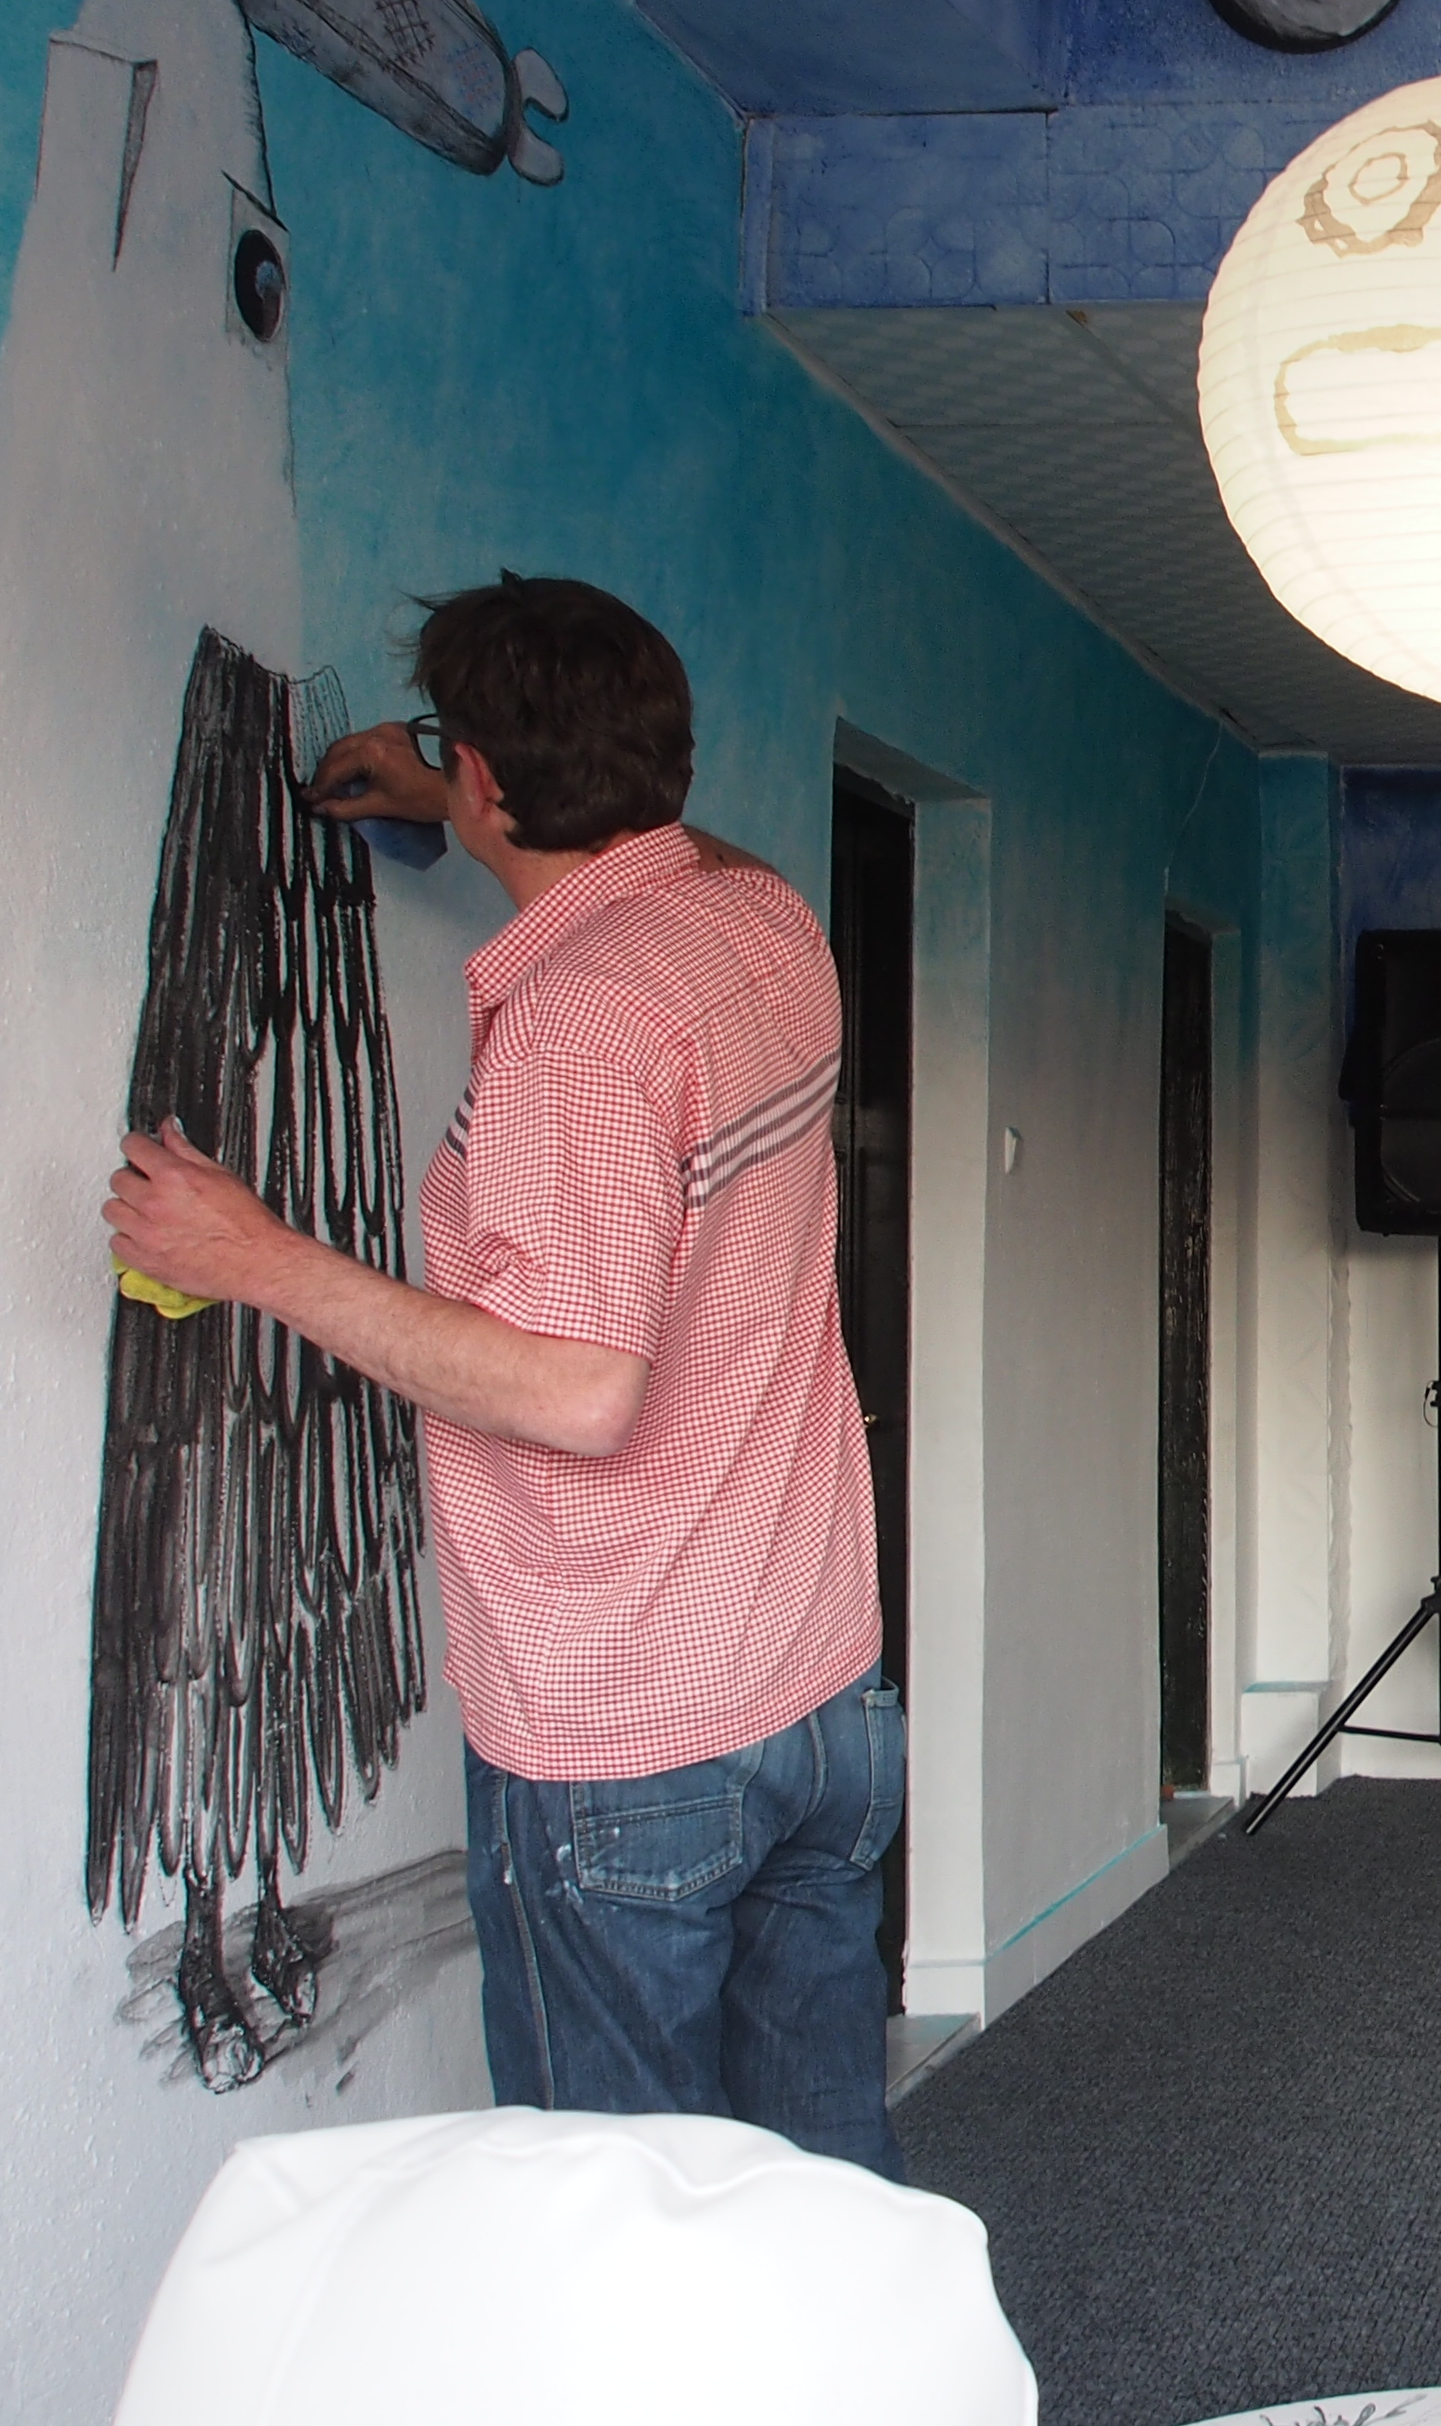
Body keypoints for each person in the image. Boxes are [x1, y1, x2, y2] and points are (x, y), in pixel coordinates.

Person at [102, 576, 901, 2175]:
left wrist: (253, 1255)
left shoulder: (576, 1028)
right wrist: (460, 789)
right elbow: (680, 854)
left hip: (633, 1732)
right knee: (819, 2192)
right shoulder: (766, 922)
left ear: (479, 774)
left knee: (605, 2221)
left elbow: (581, 1392)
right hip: (819, 1697)